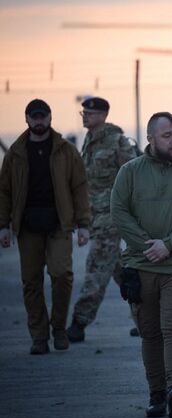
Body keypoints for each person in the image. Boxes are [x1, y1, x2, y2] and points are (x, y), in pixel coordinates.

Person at [110, 111, 172, 418]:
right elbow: (118, 211)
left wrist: (169, 244)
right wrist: (146, 245)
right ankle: (157, 394)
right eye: (167, 136)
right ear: (150, 138)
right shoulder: (130, 172)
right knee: (150, 334)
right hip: (141, 266)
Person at [0, 99, 90, 355]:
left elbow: (79, 187)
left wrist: (84, 224)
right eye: (34, 117)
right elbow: (4, 191)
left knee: (62, 275)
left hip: (59, 224)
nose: (39, 121)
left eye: (43, 116)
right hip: (27, 226)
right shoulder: (16, 153)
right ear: (26, 119)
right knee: (31, 282)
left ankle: (58, 327)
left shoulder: (65, 151)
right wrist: (3, 225)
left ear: (50, 117)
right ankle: (39, 337)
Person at [67, 97, 137, 343]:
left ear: (104, 115)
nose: (85, 116)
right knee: (120, 271)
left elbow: (133, 176)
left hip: (111, 217)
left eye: (90, 113)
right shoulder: (89, 141)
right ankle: (145, 317)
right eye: (83, 112)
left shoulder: (117, 141)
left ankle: (79, 322)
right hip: (94, 217)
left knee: (96, 268)